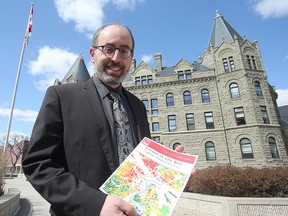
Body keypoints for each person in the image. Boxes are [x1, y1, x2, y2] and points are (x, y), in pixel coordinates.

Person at [22, 23, 185, 216]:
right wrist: (96, 204)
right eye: (108, 49)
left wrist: (171, 174)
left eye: (124, 51)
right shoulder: (61, 97)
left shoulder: (138, 106)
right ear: (92, 54)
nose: (116, 58)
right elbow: (38, 165)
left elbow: (140, 168)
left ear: (131, 58)